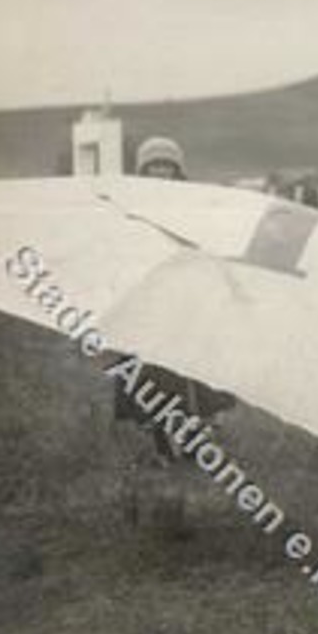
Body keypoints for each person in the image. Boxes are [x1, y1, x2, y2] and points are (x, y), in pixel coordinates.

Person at [111, 136, 236, 532]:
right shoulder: (130, 209)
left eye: (167, 165)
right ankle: (146, 501)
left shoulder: (193, 206)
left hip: (186, 318)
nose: (160, 172)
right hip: (145, 322)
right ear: (142, 170)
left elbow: (208, 251)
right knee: (149, 413)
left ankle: (174, 506)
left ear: (177, 169)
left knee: (189, 413)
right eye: (153, 166)